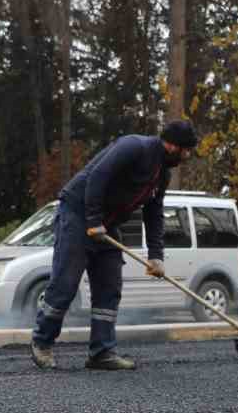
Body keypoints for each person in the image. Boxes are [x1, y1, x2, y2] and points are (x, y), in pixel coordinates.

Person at [30, 119, 200, 371]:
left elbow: (154, 212)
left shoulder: (162, 173)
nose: (187, 156)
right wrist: (93, 220)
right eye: (187, 150)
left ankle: (101, 352)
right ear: (174, 146)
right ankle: (42, 342)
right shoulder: (134, 147)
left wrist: (156, 256)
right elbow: (98, 176)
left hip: (106, 224)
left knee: (109, 284)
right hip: (78, 212)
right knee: (65, 282)